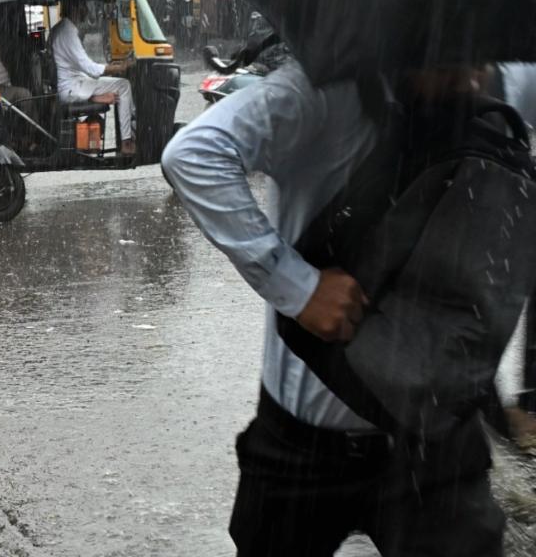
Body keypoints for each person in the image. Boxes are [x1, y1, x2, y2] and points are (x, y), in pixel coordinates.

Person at [161, 60, 536, 556]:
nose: (468, 77)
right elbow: (194, 153)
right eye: (445, 58)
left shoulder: (513, 83)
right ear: (407, 37)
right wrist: (299, 287)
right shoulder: (319, 91)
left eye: (478, 58)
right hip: (305, 444)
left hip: (435, 439)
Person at [51, 0, 136, 153]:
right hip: (72, 88)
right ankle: (126, 142)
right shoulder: (67, 32)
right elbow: (89, 68)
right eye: (84, 6)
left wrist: (113, 68)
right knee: (124, 85)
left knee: (114, 84)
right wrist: (119, 67)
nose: (87, 10)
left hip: (74, 84)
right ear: (76, 8)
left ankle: (96, 99)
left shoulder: (60, 28)